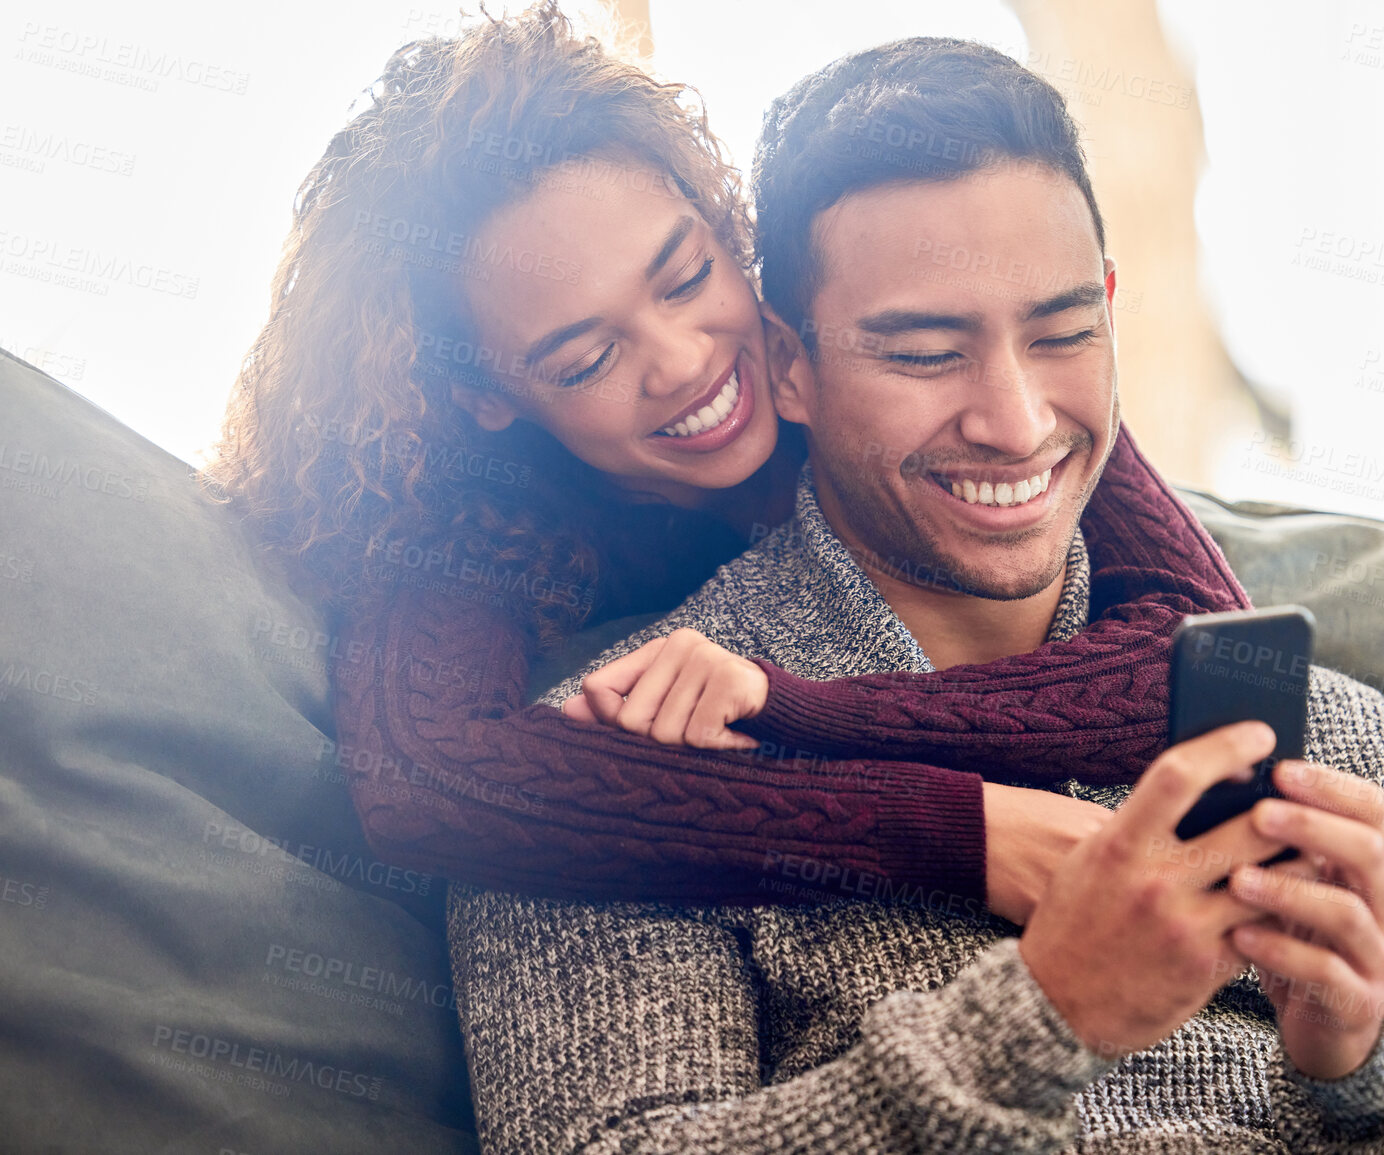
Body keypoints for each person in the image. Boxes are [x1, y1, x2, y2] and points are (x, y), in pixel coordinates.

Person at [446, 37, 1384, 1153]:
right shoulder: (616, 767)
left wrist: (1378, 1051)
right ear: (786, 365)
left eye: (1061, 332)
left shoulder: (1329, 738)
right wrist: (1047, 1017)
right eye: (922, 354)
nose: (1016, 422)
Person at [208, 2, 1261, 923]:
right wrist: (956, 834)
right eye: (587, 357)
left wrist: (785, 706)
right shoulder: (463, 518)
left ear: (723, 223)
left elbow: (1220, 663)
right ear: (479, 393)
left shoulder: (932, 372)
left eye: (685, 276)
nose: (687, 361)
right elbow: (427, 780)